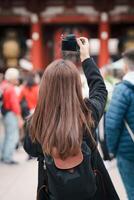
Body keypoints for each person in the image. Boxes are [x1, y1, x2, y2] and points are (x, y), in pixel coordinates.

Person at [24, 37, 119, 200]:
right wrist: (86, 58)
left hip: (53, 191)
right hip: (92, 190)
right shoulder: (87, 112)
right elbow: (100, 90)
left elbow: (31, 149)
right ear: (75, 85)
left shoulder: (36, 122)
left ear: (45, 87)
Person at [105, 49, 134, 200]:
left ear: (126, 66)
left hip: (128, 150)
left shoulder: (122, 90)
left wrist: (112, 150)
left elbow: (112, 124)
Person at [0, 68, 23, 164]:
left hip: (4, 113)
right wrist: (19, 118)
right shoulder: (11, 88)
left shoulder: (3, 86)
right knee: (13, 136)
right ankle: (8, 157)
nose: (18, 79)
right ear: (12, 78)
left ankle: (2, 155)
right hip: (11, 114)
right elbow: (15, 105)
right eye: (16, 77)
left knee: (5, 135)